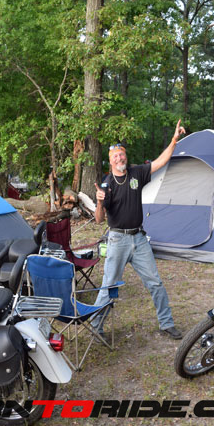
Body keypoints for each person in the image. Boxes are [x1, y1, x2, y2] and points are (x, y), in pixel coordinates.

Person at [92, 119, 186, 340]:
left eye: (122, 154)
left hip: (139, 239)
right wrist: (99, 201)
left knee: (155, 283)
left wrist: (174, 140)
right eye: (115, 156)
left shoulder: (136, 173)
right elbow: (98, 220)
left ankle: (166, 323)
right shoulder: (107, 184)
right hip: (117, 240)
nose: (120, 158)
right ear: (110, 161)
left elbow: (161, 162)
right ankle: (96, 325)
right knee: (109, 285)